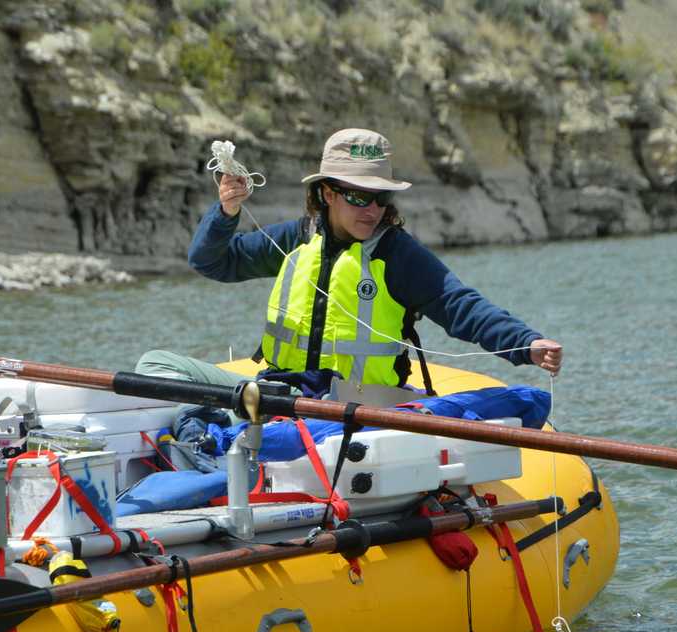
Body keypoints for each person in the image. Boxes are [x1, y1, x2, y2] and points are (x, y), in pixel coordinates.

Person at [136, 128, 562, 466]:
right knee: (154, 364)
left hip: (349, 408)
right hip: (278, 392)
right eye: (358, 196)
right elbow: (212, 261)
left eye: (380, 198)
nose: (371, 210)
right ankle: (219, 432)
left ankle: (216, 438)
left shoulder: (398, 254)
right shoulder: (295, 237)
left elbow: (459, 304)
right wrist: (226, 212)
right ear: (327, 193)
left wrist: (525, 343)